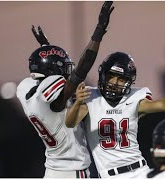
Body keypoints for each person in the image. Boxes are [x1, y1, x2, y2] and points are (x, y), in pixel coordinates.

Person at [16, 1, 115, 178]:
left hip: (52, 171)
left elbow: (51, 80)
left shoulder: (27, 90)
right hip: (73, 171)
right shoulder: (55, 95)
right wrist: (98, 32)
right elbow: (81, 71)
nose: (67, 72)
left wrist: (47, 47)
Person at [66, 52, 165, 178]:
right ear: (103, 75)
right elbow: (70, 123)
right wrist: (78, 102)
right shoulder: (91, 97)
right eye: (111, 76)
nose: (114, 82)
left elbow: (163, 105)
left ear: (129, 81)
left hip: (140, 172)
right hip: (109, 176)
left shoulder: (134, 98)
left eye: (120, 79)